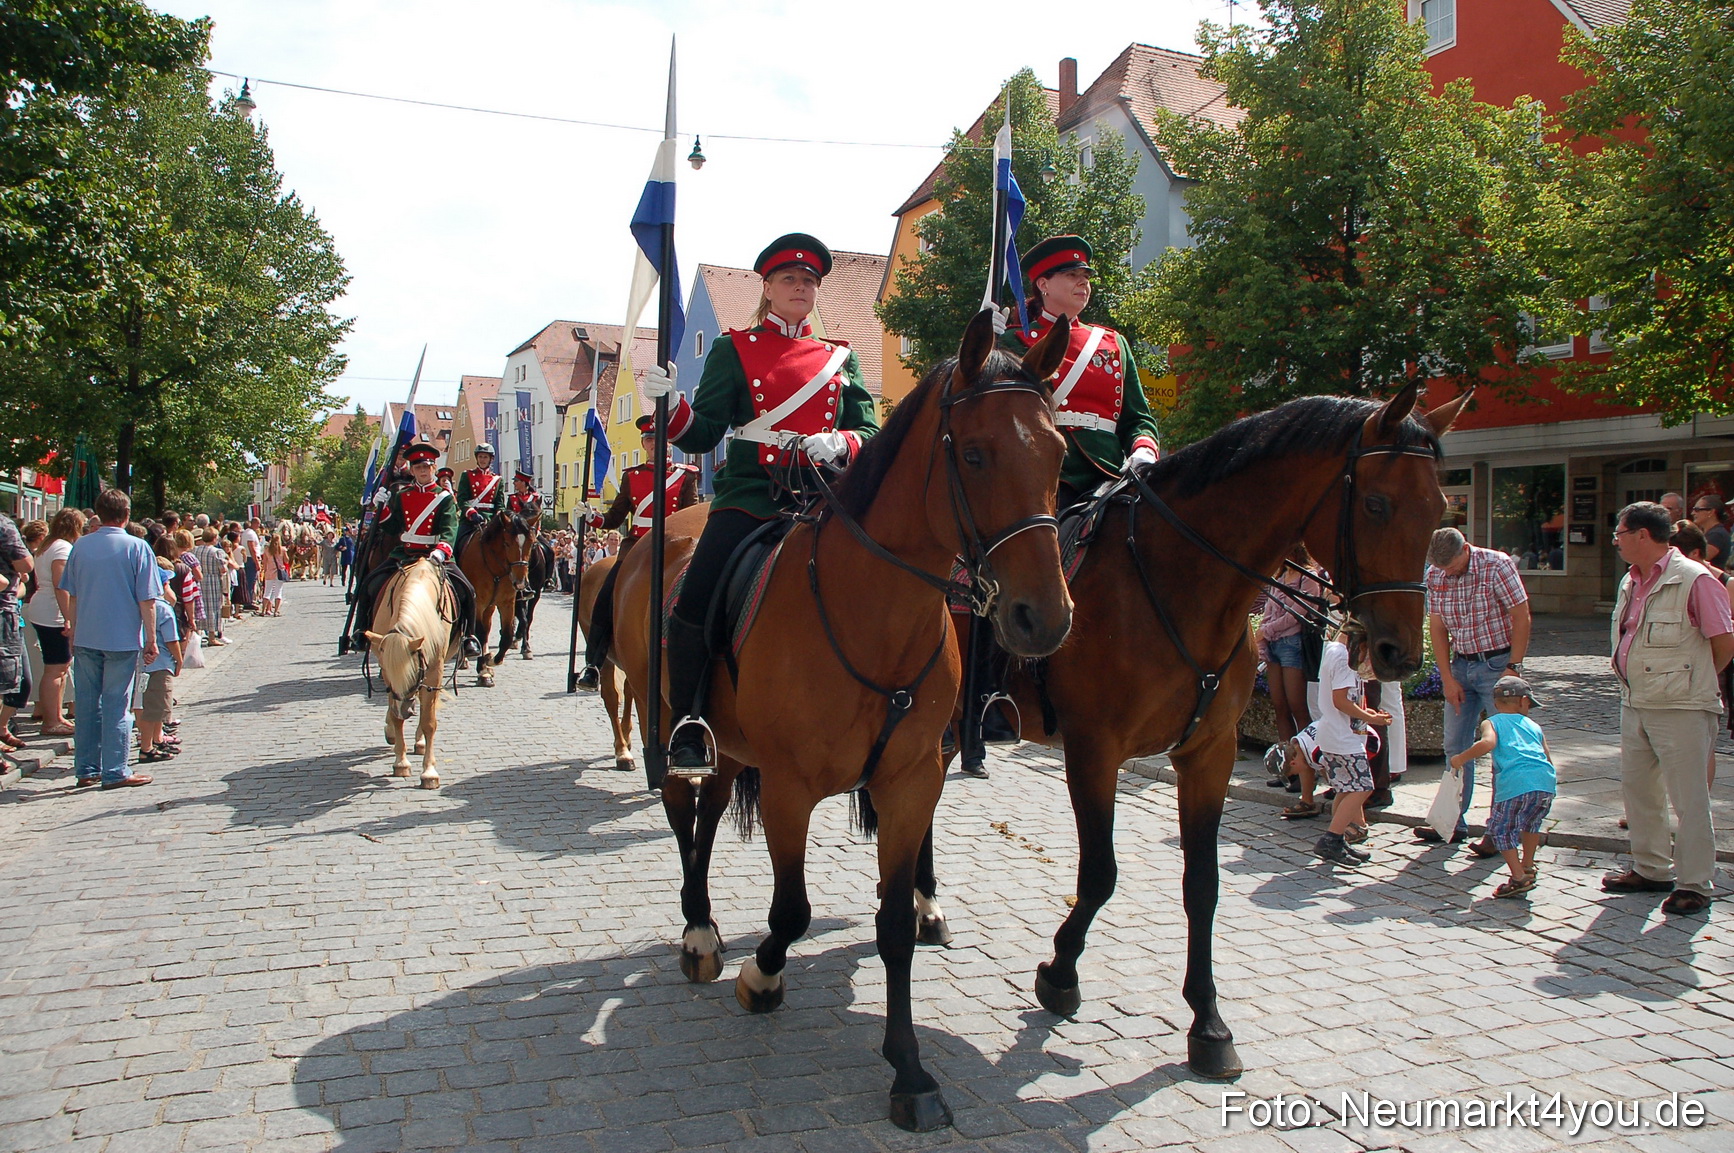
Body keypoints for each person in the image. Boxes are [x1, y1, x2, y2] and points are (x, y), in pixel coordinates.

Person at [642, 233, 879, 771]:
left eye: (809, 281)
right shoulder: (734, 349)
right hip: (751, 497)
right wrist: (670, 405)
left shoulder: (841, 358)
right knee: (695, 599)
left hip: (824, 499)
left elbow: (869, 430)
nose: (801, 287)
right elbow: (704, 433)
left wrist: (841, 441)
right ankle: (689, 723)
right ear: (768, 288)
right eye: (789, 279)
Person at [952, 235, 1164, 776]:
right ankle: (987, 696)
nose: (1082, 283)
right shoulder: (1014, 339)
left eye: (1086, 276)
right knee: (989, 577)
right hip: (1048, 480)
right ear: (1042, 284)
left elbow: (1138, 416)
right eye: (1071, 275)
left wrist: (1143, 448)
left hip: (1115, 477)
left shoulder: (1112, 344)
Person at [1604, 501, 1731, 915]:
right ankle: (1651, 868)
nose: (1616, 541)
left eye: (1620, 533)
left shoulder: (1695, 579)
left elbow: (1723, 643)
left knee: (1689, 798)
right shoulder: (1630, 580)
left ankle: (1694, 882)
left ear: (1642, 535)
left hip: (1682, 705)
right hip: (1635, 701)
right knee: (1640, 791)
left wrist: (1689, 681)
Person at [1419, 527, 1531, 847]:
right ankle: (1452, 822)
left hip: (1498, 663)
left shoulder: (1497, 565)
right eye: (1443, 568)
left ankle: (1500, 830)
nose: (1449, 573)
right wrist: (1447, 677)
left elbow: (1521, 615)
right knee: (1455, 746)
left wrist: (1514, 667)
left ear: (1465, 549)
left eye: (1453, 566)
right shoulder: (1436, 575)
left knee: (1504, 748)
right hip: (1461, 665)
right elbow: (1437, 627)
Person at [575, 414, 701, 691]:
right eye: (650, 440)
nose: (655, 444)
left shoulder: (686, 475)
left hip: (675, 545)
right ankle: (593, 664)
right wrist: (592, 517)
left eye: (660, 439)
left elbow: (691, 514)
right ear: (644, 444)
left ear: (669, 443)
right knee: (606, 595)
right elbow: (615, 517)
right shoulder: (631, 476)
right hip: (636, 548)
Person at [60, 487, 162, 789]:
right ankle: (115, 770)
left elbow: (73, 594)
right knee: (117, 705)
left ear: (98, 514)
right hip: (122, 638)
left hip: (87, 635)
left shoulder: (80, 546)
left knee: (87, 705)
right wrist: (151, 638)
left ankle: (86, 768)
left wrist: (73, 629)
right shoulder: (137, 547)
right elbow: (147, 599)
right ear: (126, 515)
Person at [348, 443, 482, 658]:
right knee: (369, 584)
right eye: (418, 467)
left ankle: (469, 637)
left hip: (434, 555)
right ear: (411, 470)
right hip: (406, 553)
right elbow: (393, 527)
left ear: (434, 468)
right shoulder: (403, 495)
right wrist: (381, 509)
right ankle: (361, 632)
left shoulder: (445, 497)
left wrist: (441, 550)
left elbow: (450, 528)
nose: (423, 471)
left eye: (426, 467)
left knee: (467, 590)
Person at [1451, 676, 1556, 899]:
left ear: (1495, 703)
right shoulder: (1534, 726)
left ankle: (1518, 877)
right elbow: (1546, 754)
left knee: (1501, 830)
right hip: (1544, 782)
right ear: (1524, 701)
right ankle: (1528, 865)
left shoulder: (1492, 722)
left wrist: (1461, 758)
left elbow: (1487, 743)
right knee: (1532, 824)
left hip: (1514, 782)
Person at [1312, 621, 1391, 866]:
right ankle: (1331, 838)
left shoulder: (1334, 650)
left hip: (1336, 733)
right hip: (1342, 736)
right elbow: (1340, 700)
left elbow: (1345, 697)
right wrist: (1372, 718)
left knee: (1346, 789)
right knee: (1362, 787)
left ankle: (1339, 839)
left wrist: (1365, 714)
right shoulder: (1345, 657)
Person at [1257, 544, 1328, 747]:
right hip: (1273, 644)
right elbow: (1268, 611)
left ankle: (1305, 755)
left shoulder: (1308, 577)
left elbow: (1297, 614)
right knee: (1279, 706)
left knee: (1297, 706)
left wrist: (1267, 630)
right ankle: (1286, 756)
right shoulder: (1279, 578)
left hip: (1292, 643)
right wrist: (1261, 639)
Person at [25, 510, 80, 734]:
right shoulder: (62, 548)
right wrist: (68, 617)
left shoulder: (48, 545)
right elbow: (60, 585)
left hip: (43, 608)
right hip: (52, 612)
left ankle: (56, 715)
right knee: (56, 668)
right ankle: (51, 721)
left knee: (60, 667)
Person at [133, 556, 183, 764]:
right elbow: (171, 639)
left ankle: (156, 739)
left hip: (141, 662)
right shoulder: (161, 607)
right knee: (155, 708)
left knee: (152, 706)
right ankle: (147, 748)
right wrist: (179, 660)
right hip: (159, 663)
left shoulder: (137, 604)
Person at [0, 510, 36, 753]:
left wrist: (18, 584)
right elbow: (26, 565)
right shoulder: (3, 525)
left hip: (11, 611)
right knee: (7, 682)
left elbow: (18, 584)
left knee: (21, 682)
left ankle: (2, 728)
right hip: (4, 615)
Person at [193, 526, 229, 647]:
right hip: (213, 581)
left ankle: (197, 634)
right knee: (213, 608)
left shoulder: (195, 550)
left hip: (199, 580)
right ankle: (212, 637)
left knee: (200, 606)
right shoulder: (217, 552)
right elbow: (223, 569)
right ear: (214, 538)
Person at [1689, 494, 1730, 570]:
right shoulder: (1709, 532)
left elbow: (1699, 559)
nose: (1693, 513)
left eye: (1697, 509)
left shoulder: (1717, 534)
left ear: (1711, 512)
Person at [261, 535, 289, 616]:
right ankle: (276, 611)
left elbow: (265, 562)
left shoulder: (267, 550)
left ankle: (263, 611)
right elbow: (286, 561)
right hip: (279, 573)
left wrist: (264, 571)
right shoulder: (282, 549)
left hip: (269, 572)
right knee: (278, 592)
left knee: (267, 592)